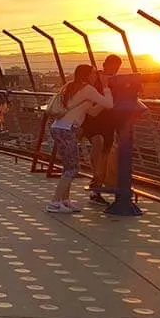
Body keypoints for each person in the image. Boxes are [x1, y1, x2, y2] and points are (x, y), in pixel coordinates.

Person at [48, 64, 113, 213]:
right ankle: (54, 202)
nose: (95, 76)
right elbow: (109, 104)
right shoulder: (88, 89)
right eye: (94, 73)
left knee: (67, 167)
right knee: (72, 169)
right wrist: (106, 87)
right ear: (87, 75)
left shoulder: (71, 87)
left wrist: (100, 102)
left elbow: (93, 112)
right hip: (67, 130)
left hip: (59, 128)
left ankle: (65, 200)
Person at [81, 54, 123, 204]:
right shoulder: (95, 78)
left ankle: (97, 188)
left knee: (105, 154)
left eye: (116, 68)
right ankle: (96, 186)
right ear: (104, 64)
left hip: (108, 123)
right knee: (99, 149)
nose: (113, 70)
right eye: (111, 66)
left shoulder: (116, 81)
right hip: (93, 121)